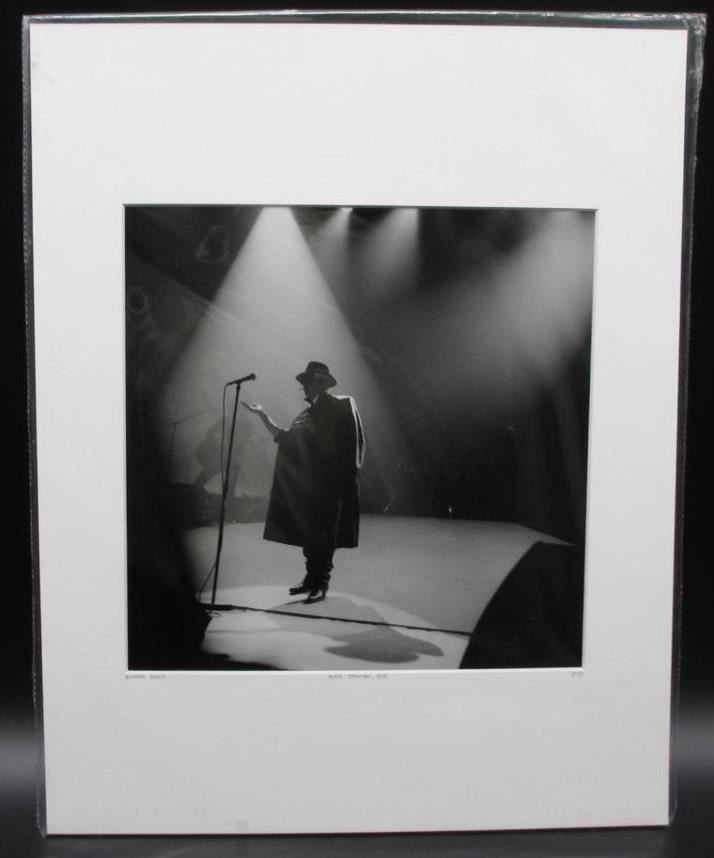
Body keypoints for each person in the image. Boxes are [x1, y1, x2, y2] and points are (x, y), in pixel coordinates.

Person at [242, 361, 365, 603]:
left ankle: (321, 582)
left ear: (320, 382)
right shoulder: (306, 415)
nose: (304, 388)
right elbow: (284, 437)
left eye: (307, 382)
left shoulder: (342, 404)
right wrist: (262, 414)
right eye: (304, 384)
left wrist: (346, 481)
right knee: (310, 534)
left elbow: (354, 442)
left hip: (332, 485)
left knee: (324, 535)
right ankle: (311, 578)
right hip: (309, 486)